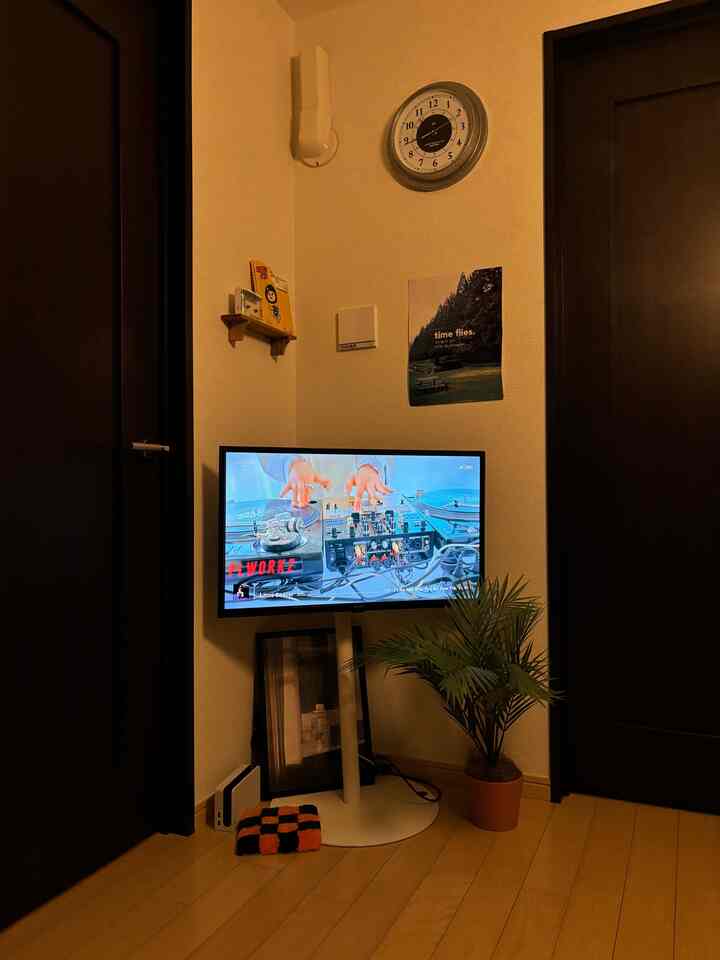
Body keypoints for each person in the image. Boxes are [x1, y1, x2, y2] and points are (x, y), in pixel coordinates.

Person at [258, 452, 392, 510]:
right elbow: (266, 452)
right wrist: (292, 464)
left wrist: (369, 465)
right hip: (302, 507)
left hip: (357, 502)